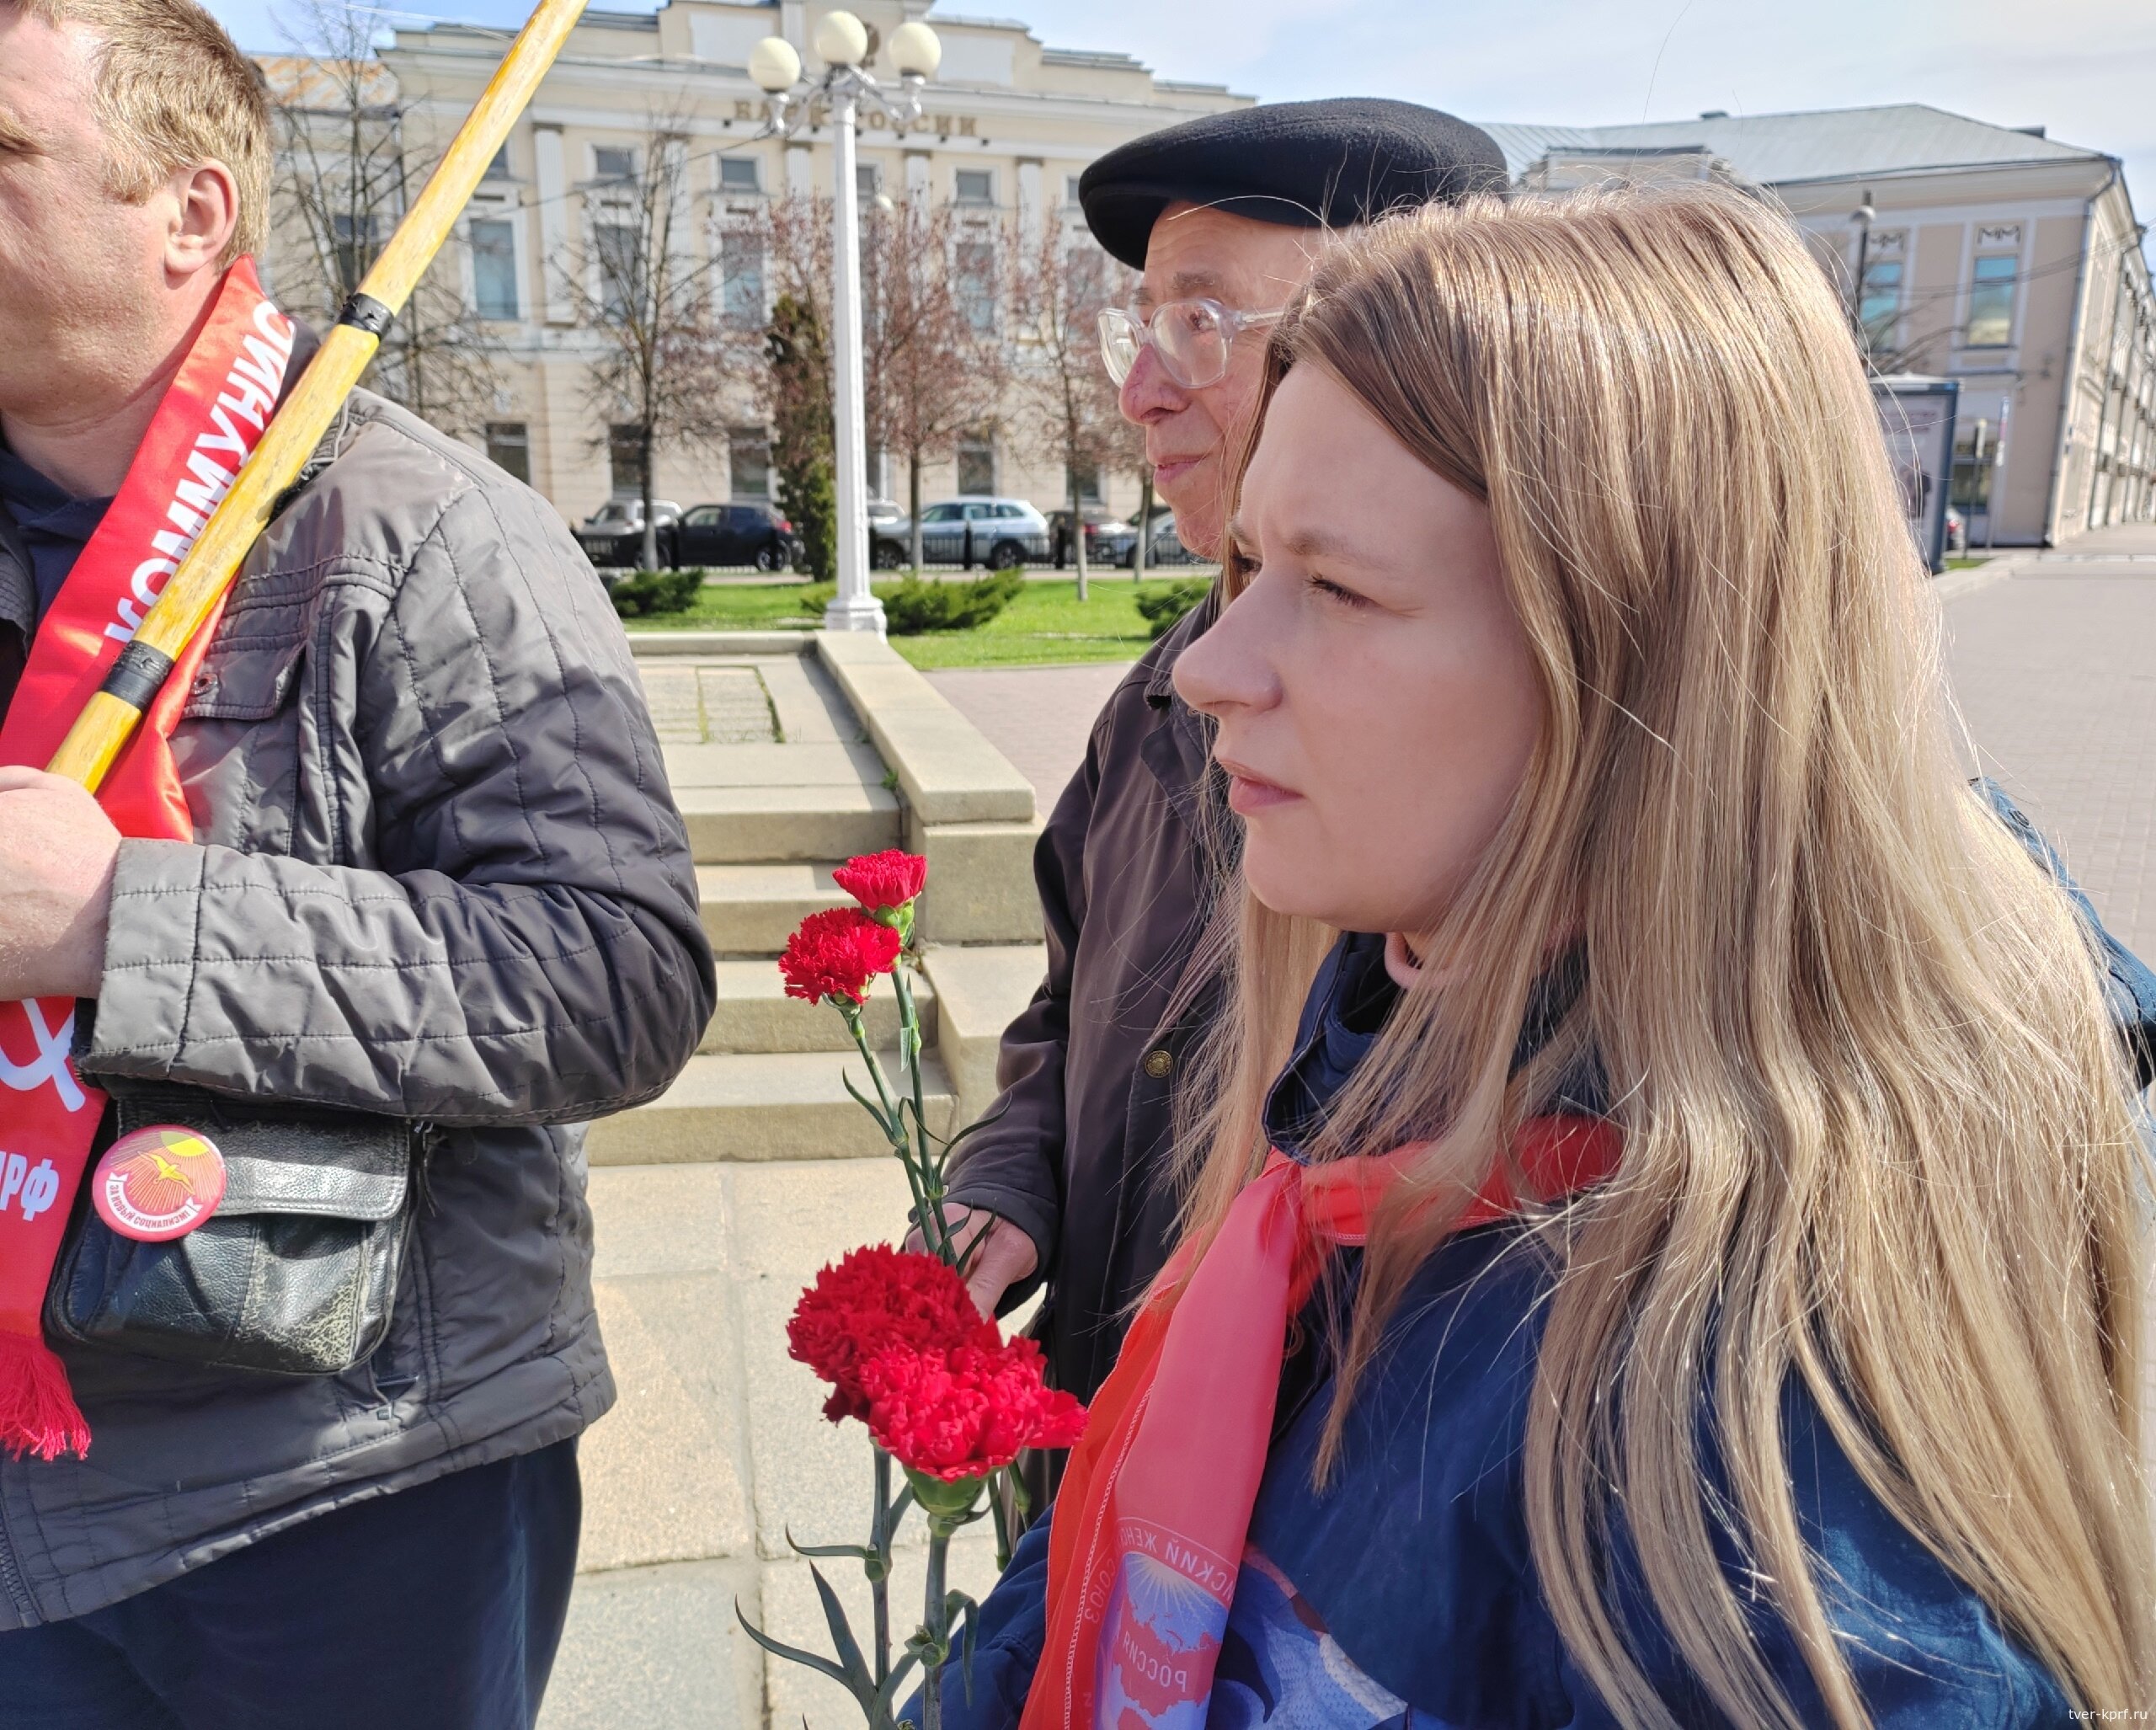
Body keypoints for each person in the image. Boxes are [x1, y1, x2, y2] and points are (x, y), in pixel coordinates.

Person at [921, 185, 2156, 1726]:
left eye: (1338, 587)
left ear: (1636, 665)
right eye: (1243, 570)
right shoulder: (1369, 1058)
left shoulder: (1744, 1488)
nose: (1215, 667)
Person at [0, 2, 714, 1725]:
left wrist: (120, 921)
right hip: (33, 1506)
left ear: (189, 212)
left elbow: (615, 972)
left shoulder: (425, 526)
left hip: (341, 1489)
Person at [931, 99, 1515, 1412]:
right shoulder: (1153, 703)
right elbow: (1068, 1011)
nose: (1139, 391)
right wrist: (1009, 1184)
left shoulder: (1495, 771)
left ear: (1398, 332)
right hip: (1103, 1435)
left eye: (1199, 323)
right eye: (1139, 329)